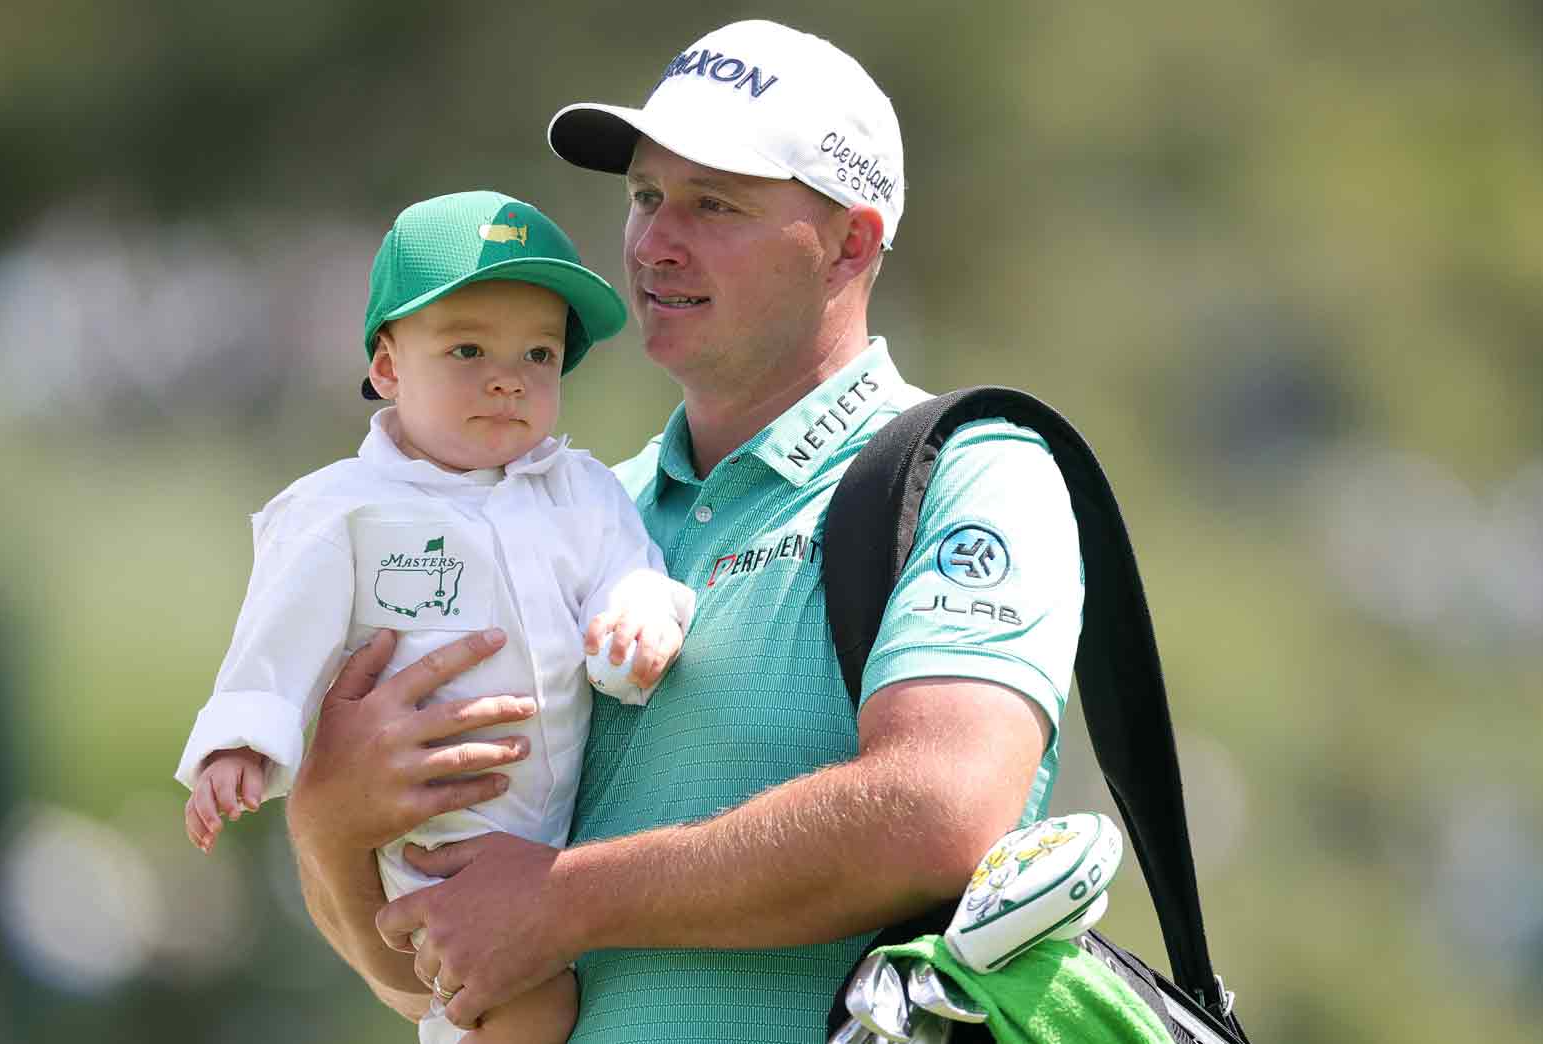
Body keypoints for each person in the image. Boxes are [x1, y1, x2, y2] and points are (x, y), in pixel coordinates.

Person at [285, 20, 1086, 1044]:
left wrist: (565, 899)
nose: (655, 241)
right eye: (646, 196)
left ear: (851, 238)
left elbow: (936, 812)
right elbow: (446, 973)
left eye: (715, 204)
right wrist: (328, 832)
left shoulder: (972, 471)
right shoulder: (567, 512)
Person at [175, 190, 695, 1044]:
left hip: (552, 837)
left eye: (538, 353)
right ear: (386, 366)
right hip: (428, 841)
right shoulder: (343, 508)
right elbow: (279, 635)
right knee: (524, 1005)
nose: (508, 377)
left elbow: (628, 574)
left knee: (531, 994)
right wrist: (239, 741)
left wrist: (637, 618)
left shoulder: (584, 489)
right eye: (466, 349)